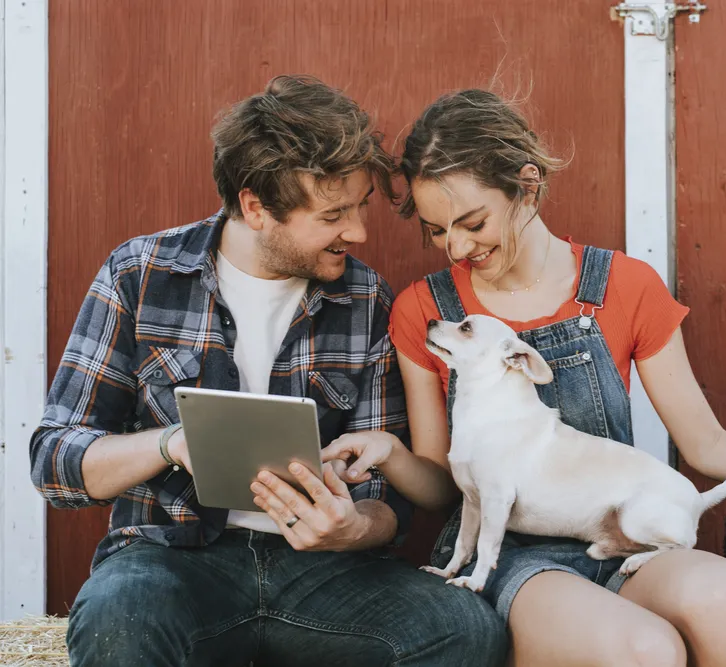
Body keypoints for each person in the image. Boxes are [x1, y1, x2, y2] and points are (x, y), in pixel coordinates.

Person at [28, 76, 506, 667]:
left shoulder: (365, 298)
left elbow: (392, 502)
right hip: (171, 558)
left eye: (360, 207)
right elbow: (55, 462)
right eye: (333, 215)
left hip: (326, 573)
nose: (357, 233)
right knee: (115, 619)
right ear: (256, 207)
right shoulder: (140, 274)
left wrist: (355, 528)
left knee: (465, 630)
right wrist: (174, 444)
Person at [324, 89, 726, 667]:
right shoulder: (424, 311)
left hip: (619, 528)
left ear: (528, 184)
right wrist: (391, 451)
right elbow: (443, 485)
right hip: (511, 552)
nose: (458, 248)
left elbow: (706, 444)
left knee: (724, 595)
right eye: (439, 232)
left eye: (472, 222)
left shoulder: (626, 286)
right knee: (643, 650)